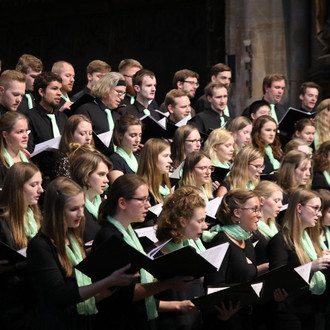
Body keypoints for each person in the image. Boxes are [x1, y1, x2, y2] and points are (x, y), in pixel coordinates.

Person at [27, 176, 138, 330]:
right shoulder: (40, 246)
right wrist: (108, 282)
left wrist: (101, 295)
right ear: (56, 211)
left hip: (81, 320)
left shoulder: (73, 238)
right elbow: (60, 296)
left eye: (82, 207)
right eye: (74, 209)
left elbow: (78, 291)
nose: (81, 214)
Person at [92, 174, 195, 330]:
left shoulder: (128, 233)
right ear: (122, 203)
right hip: (118, 321)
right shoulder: (109, 237)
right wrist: (168, 284)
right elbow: (124, 293)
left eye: (148, 199)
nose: (148, 205)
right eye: (142, 200)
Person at [267, 189, 329, 330]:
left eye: (320, 209)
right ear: (299, 208)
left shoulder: (309, 240)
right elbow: (278, 279)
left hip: (313, 309)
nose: (319, 214)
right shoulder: (280, 240)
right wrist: (311, 267)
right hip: (290, 314)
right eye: (315, 208)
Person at [203, 189, 261, 329]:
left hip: (244, 316)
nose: (259, 215)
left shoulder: (245, 239)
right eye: (254, 210)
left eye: (259, 209)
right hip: (224, 320)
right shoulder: (221, 240)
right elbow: (214, 285)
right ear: (237, 213)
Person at [155, 186, 207, 329]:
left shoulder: (189, 249)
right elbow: (145, 302)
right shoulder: (155, 254)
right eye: (200, 221)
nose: (204, 226)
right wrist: (177, 306)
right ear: (182, 221)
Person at [0, 162, 43, 330]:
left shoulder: (37, 216)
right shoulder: (3, 222)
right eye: (34, 185)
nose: (41, 190)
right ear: (17, 187)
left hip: (37, 296)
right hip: (15, 303)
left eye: (40, 184)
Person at [70, 151, 112, 242]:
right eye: (101, 174)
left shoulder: (104, 204)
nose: (107, 180)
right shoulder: (73, 209)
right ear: (85, 175)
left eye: (106, 175)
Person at [27, 71, 68, 152]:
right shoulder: (29, 118)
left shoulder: (63, 118)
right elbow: (29, 150)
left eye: (60, 89)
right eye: (54, 89)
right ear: (41, 92)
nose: (59, 93)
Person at [252, 181, 283, 268]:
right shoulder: (252, 229)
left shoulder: (276, 227)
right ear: (261, 200)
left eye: (281, 201)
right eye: (276, 201)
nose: (280, 205)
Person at [52, 114, 94, 179]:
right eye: (82, 134)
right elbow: (67, 187)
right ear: (70, 135)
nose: (88, 138)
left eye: (90, 133)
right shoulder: (64, 162)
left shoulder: (94, 156)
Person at [137, 138, 172, 205]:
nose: (170, 160)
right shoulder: (141, 189)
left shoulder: (167, 184)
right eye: (165, 156)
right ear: (152, 158)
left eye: (169, 156)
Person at [109, 114, 142, 184]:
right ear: (120, 136)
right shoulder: (115, 160)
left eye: (140, 135)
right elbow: (120, 189)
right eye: (133, 135)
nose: (138, 140)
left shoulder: (137, 158)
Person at [0, 112, 30, 187]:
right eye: (20, 132)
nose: (25, 136)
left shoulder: (27, 159)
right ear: (5, 134)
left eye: (26, 131)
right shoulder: (1, 165)